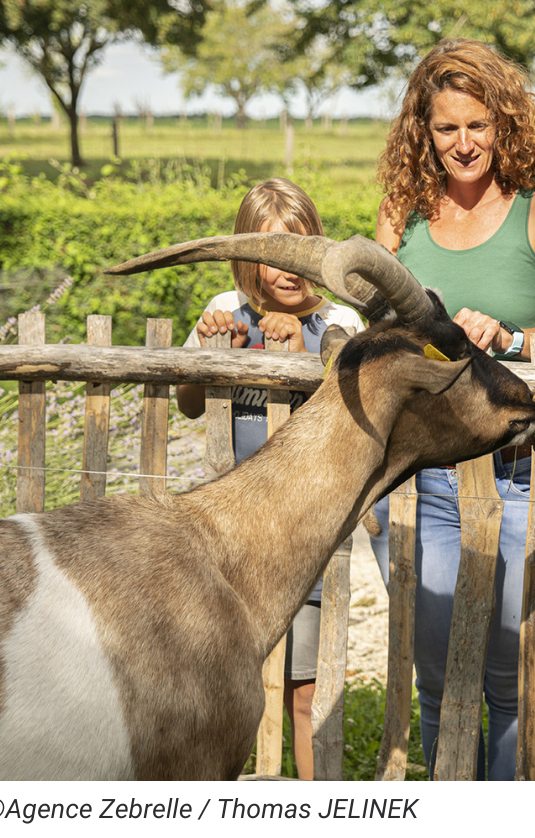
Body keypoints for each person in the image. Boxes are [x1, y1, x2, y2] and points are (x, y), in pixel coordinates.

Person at [365, 37, 535, 780]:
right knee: (436, 683)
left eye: (478, 125)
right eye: (447, 127)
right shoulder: (404, 213)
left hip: (523, 476)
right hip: (425, 484)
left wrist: (512, 336)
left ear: (506, 123)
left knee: (510, 684)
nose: (464, 144)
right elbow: (369, 324)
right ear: (422, 132)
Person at [174, 177, 364, 781]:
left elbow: (348, 414)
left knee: (300, 686)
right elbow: (188, 404)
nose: (286, 267)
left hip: (306, 528)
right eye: (270, 253)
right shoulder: (225, 312)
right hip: (229, 531)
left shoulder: (340, 320)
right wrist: (218, 354)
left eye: (299, 248)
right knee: (226, 683)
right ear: (245, 257)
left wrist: (307, 357)